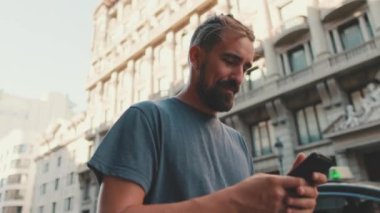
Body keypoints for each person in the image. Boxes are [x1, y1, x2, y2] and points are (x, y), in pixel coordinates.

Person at [88, 14, 327, 213]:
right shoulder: (146, 117)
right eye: (230, 60)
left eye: (245, 68)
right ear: (196, 57)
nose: (239, 78)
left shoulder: (238, 142)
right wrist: (237, 200)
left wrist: (282, 204)